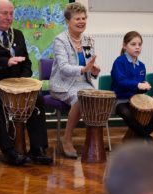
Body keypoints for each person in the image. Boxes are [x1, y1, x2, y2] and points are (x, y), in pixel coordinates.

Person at [0, 0, 52, 166]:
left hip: (13, 87)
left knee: (37, 99)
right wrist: (6, 62)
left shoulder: (17, 34)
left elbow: (26, 63)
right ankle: (9, 151)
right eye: (4, 13)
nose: (9, 17)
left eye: (11, 13)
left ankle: (38, 149)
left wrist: (24, 80)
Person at [49, 2, 100, 158]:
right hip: (62, 84)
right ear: (67, 21)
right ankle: (67, 138)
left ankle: (92, 141)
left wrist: (93, 71)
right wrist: (83, 69)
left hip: (83, 83)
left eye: (84, 18)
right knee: (81, 98)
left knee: (97, 98)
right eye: (77, 18)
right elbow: (63, 67)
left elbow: (89, 67)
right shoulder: (60, 40)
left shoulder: (88, 40)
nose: (81, 21)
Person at [111, 31, 153, 141]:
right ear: (124, 46)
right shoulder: (119, 61)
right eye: (133, 44)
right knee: (126, 112)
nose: (137, 47)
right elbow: (121, 82)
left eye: (139, 44)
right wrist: (138, 85)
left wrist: (145, 87)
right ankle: (146, 137)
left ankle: (141, 136)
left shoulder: (141, 66)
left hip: (137, 101)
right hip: (120, 100)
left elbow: (138, 90)